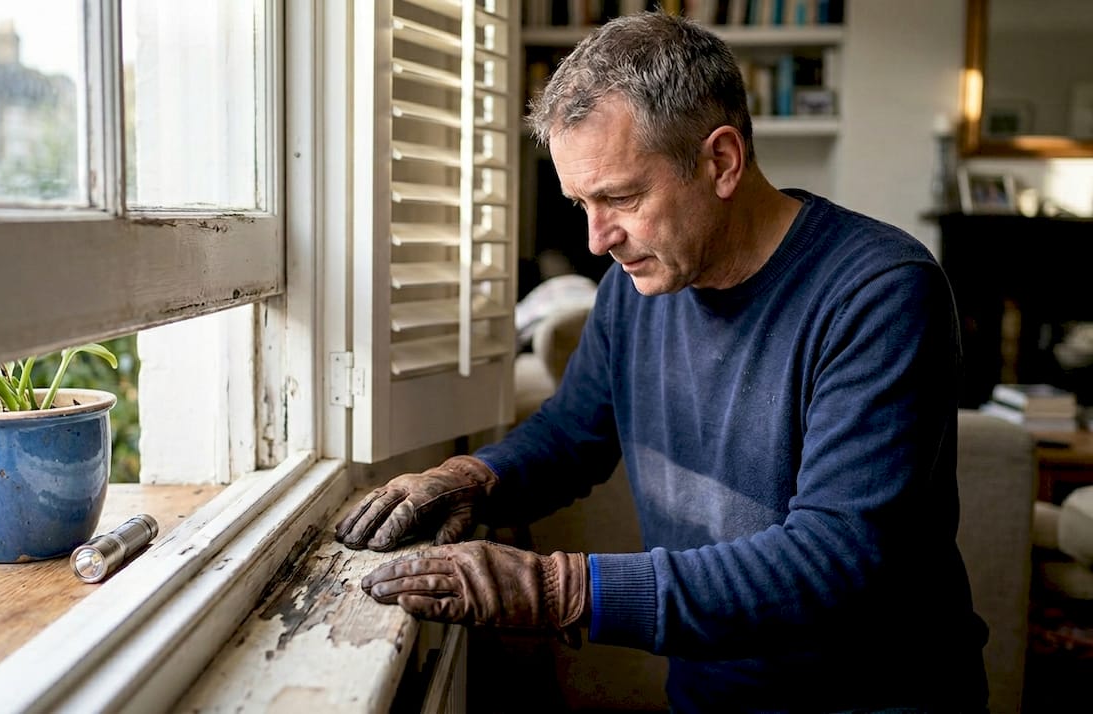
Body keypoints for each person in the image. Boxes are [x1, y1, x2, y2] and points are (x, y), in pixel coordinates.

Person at [336, 11, 987, 713]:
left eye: (619, 196)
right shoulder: (634, 287)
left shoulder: (881, 292)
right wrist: (474, 479)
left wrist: (561, 590)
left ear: (722, 161)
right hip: (709, 694)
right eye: (581, 202)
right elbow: (572, 435)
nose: (596, 239)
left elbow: (835, 557)